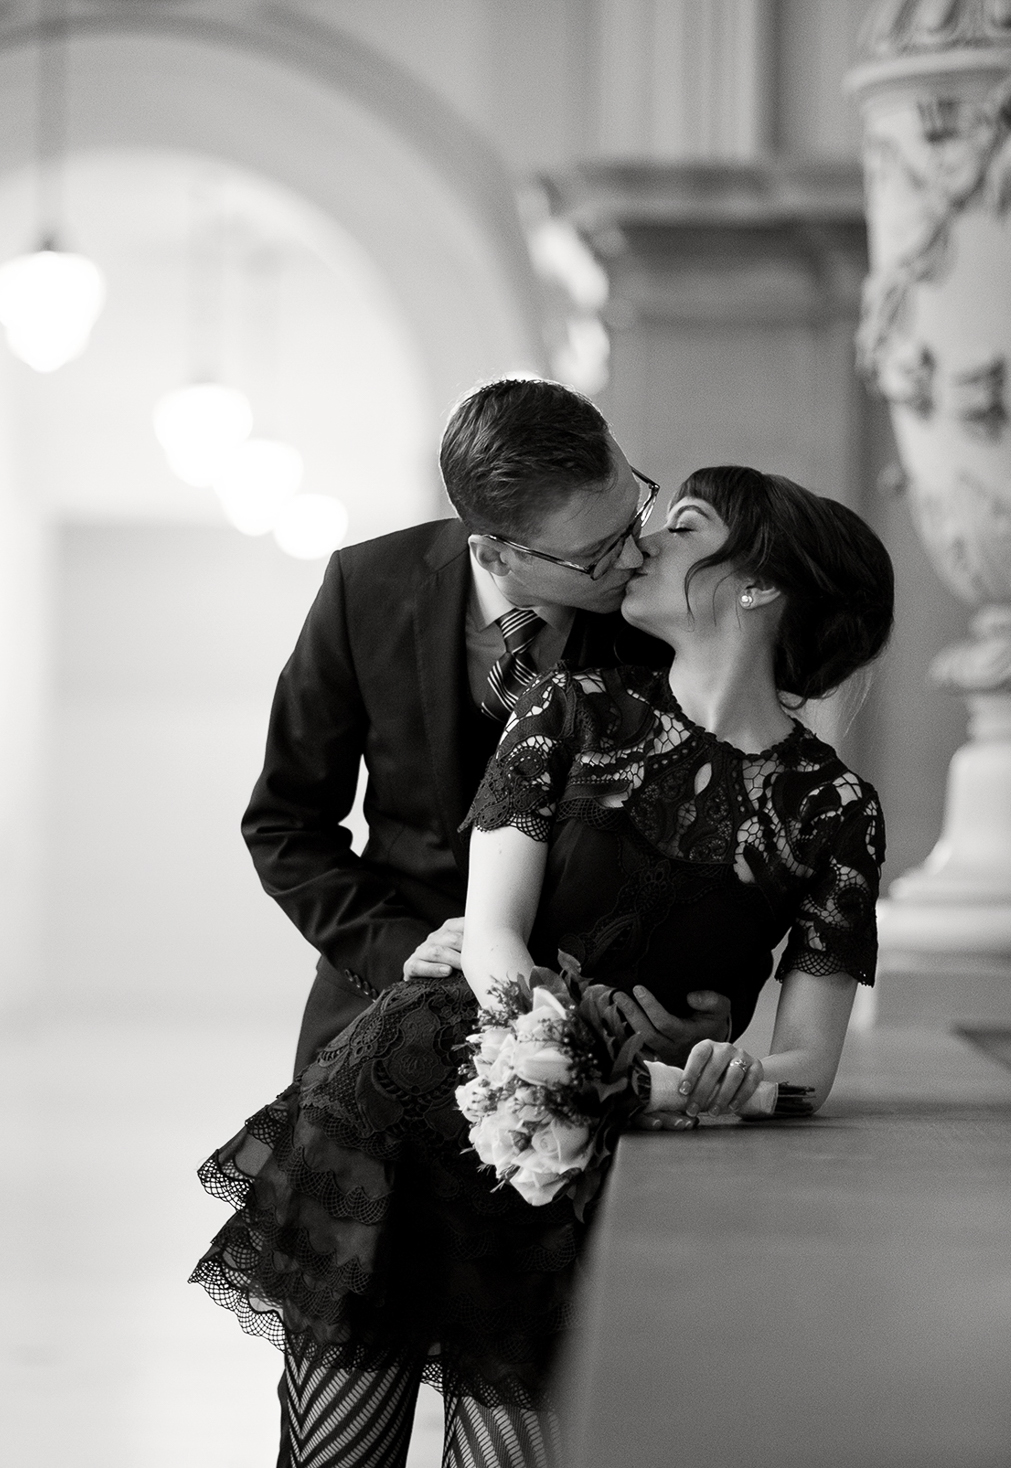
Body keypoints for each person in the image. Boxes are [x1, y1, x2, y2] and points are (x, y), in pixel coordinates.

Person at [196, 465, 894, 1467]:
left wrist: (726, 1088)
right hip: (402, 1102)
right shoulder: (571, 706)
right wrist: (623, 1079)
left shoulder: (837, 812)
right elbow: (491, 942)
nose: (644, 543)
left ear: (757, 585)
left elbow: (806, 1068)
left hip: (571, 1168)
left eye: (680, 527)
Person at [244, 377, 732, 1078]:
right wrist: (396, 948)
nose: (633, 558)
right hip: (383, 1021)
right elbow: (285, 824)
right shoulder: (367, 589)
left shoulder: (658, 624)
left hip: (597, 1036)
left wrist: (717, 1004)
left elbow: (714, 839)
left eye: (637, 514)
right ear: (497, 553)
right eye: (597, 552)